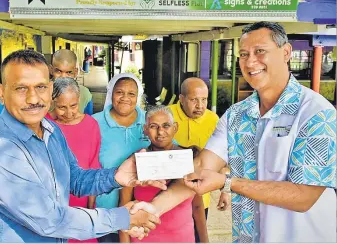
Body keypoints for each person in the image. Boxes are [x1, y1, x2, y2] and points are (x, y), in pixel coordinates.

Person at [130, 22, 337, 243]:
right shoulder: (237, 115)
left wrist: (227, 183)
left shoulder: (316, 114)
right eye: (243, 54)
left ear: (286, 52)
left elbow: (304, 196)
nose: (250, 61)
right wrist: (153, 208)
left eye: (260, 51)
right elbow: (200, 167)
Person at [0, 50, 164, 242]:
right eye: (21, 88)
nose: (33, 98)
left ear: (50, 88)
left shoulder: (50, 130)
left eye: (40, 87)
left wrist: (116, 176)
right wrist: (123, 218)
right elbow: (50, 220)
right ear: (2, 93)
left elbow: (75, 179)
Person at [119, 106, 208, 243]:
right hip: (144, 239)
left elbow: (197, 206)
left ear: (175, 128)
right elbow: (123, 210)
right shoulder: (135, 162)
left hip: (182, 238)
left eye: (166, 125)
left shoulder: (188, 159)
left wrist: (204, 240)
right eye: (154, 126)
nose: (160, 132)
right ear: (145, 129)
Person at [92, 72, 150, 243]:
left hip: (142, 209)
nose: (125, 98)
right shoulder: (94, 123)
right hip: (105, 211)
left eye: (131, 94)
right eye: (119, 92)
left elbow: (168, 148)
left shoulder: (149, 121)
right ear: (111, 94)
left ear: (138, 97)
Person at [169, 77, 230, 235]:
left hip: (201, 197)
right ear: (181, 99)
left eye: (204, 100)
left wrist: (226, 190)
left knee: (198, 235)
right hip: (170, 195)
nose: (200, 106)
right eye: (194, 100)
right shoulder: (167, 116)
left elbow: (222, 160)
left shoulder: (213, 120)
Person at [46, 77, 102, 243]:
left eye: (73, 106)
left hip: (81, 205)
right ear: (52, 101)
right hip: (51, 205)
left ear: (79, 100)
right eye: (62, 107)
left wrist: (91, 209)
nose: (69, 113)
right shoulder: (44, 124)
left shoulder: (91, 125)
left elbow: (93, 167)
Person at [51, 49, 93, 115]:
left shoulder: (85, 94)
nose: (63, 77)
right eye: (59, 71)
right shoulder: (42, 92)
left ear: (75, 72)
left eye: (69, 72)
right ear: (51, 70)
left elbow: (87, 121)